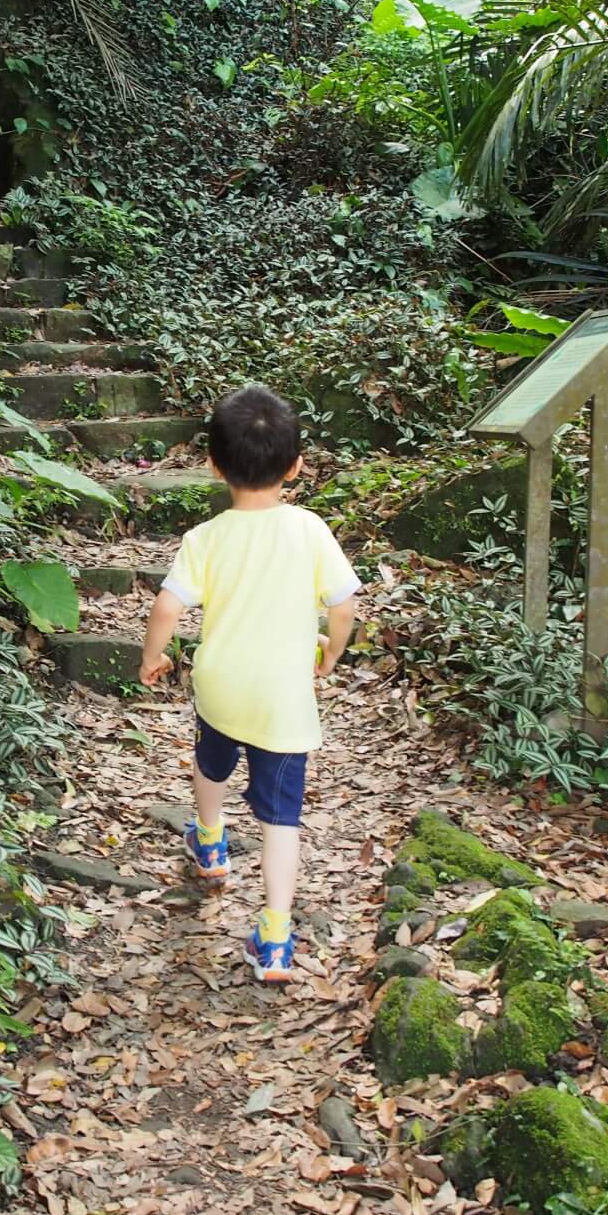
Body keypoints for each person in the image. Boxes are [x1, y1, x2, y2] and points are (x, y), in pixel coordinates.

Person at [138, 386, 361, 982]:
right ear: (296, 466)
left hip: (221, 686)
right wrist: (332, 653)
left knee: (211, 762)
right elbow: (343, 605)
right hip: (283, 699)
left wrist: (152, 658)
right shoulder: (311, 530)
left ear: (213, 465)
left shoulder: (205, 538)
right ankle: (275, 936)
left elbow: (166, 606)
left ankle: (209, 843)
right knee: (279, 816)